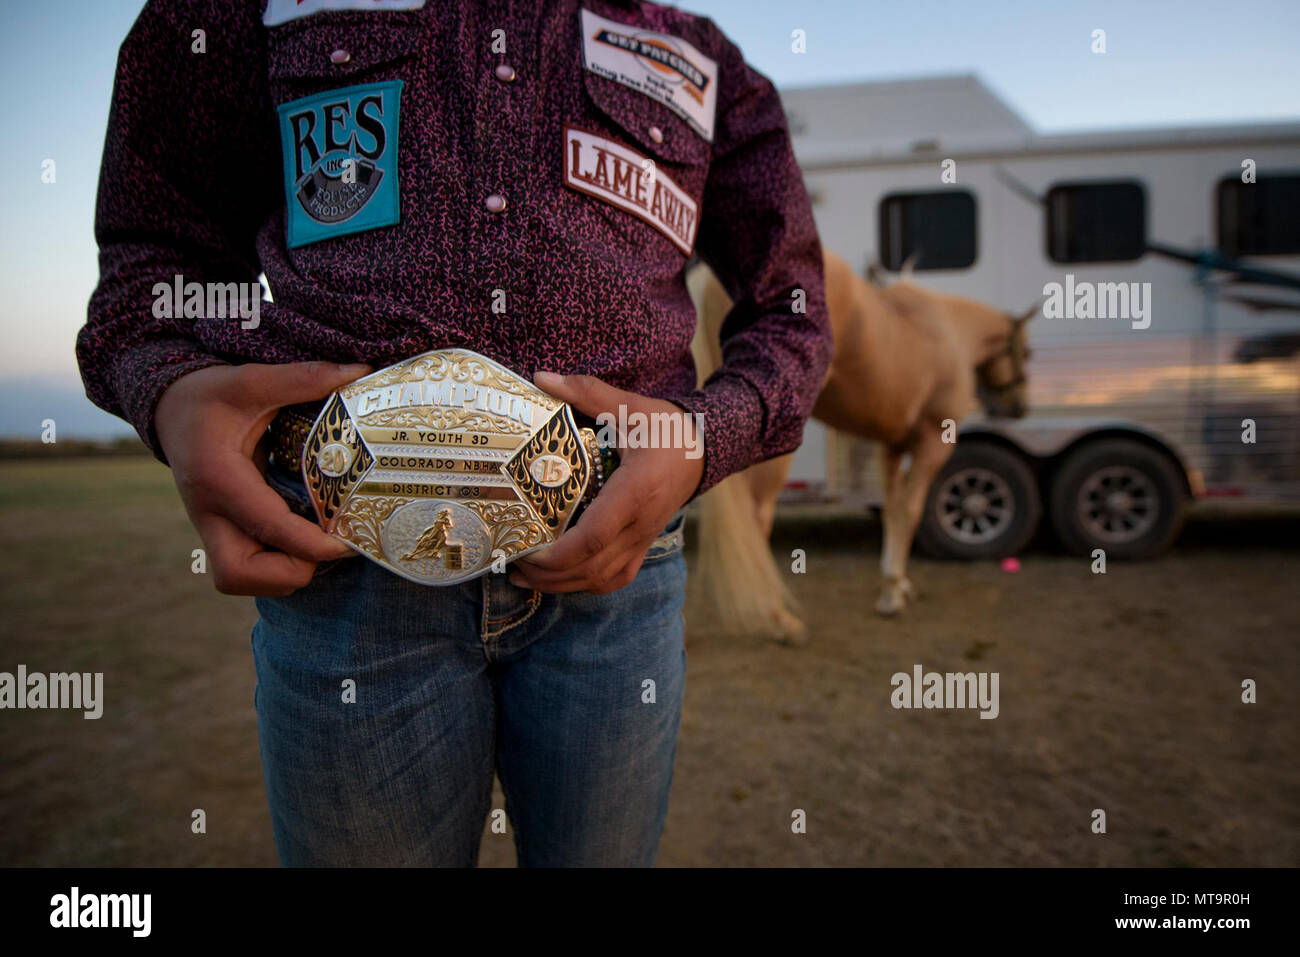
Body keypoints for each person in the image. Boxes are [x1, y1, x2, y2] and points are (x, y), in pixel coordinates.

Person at [77, 0, 831, 867]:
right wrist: (172, 392)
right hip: (343, 568)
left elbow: (792, 309)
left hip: (613, 575)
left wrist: (703, 440)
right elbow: (152, 254)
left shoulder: (698, 59)